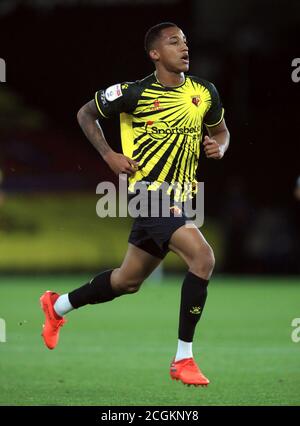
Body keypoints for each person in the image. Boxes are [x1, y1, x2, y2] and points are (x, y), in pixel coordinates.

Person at [40, 22, 230, 387]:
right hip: (146, 193)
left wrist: (218, 147)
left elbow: (221, 132)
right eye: (174, 42)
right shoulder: (133, 93)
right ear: (155, 54)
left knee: (127, 281)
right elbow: (85, 114)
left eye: (186, 42)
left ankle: (57, 305)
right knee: (203, 258)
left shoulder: (205, 93)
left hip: (180, 200)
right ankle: (183, 359)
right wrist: (109, 154)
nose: (184, 47)